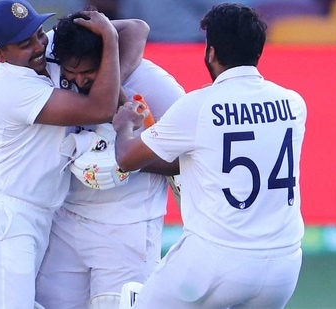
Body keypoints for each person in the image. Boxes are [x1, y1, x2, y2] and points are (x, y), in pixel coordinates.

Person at [0, 1, 149, 308]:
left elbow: (137, 29)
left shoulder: (42, 51)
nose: (39, 46)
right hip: (8, 213)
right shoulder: (10, 85)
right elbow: (100, 109)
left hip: (35, 214)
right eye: (23, 44)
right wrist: (108, 42)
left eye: (39, 33)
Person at [112, 3, 307, 309]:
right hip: (284, 265)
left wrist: (125, 125)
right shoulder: (293, 104)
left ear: (211, 53)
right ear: (258, 50)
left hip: (214, 261)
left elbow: (126, 158)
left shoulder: (200, 105)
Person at [34, 12, 184, 309]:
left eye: (88, 73)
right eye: (70, 74)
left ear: (107, 56)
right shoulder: (54, 66)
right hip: (65, 221)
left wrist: (124, 160)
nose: (77, 82)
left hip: (128, 226)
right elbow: (136, 28)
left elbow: (187, 160)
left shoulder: (154, 84)